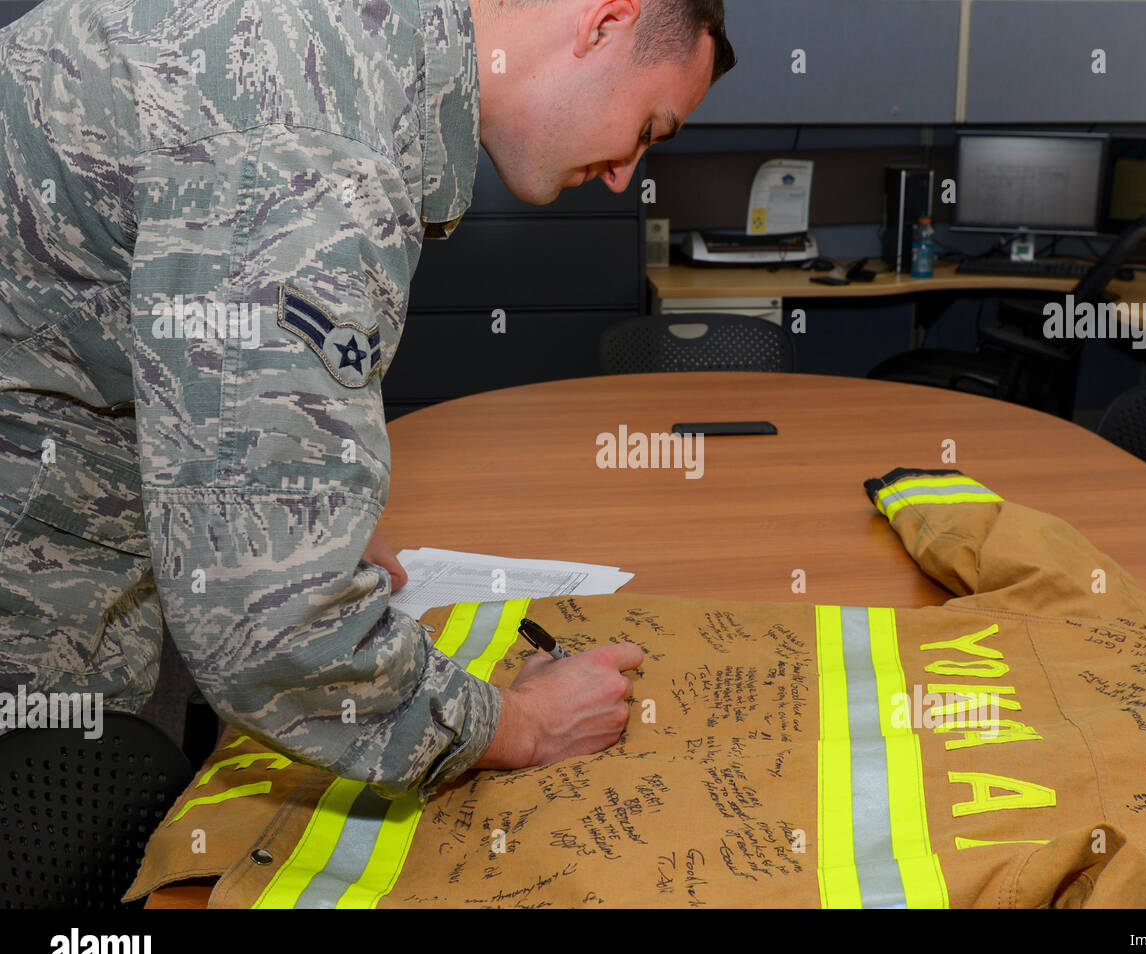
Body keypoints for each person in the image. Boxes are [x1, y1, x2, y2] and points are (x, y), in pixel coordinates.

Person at [0, 0, 736, 797]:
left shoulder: (343, 48)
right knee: (51, 820)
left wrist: (303, 496)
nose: (628, 172)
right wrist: (520, 727)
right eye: (650, 128)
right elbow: (273, 624)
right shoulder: (317, 157)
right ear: (605, 23)